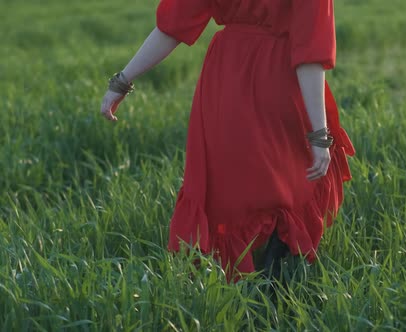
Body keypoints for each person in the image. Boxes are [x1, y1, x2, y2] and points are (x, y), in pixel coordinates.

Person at [100, 0, 355, 280]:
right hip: (279, 76)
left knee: (230, 188)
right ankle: (277, 277)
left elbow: (172, 26)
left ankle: (234, 280)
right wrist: (319, 135)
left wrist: (122, 81)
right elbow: (310, 51)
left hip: (226, 79)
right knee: (290, 179)